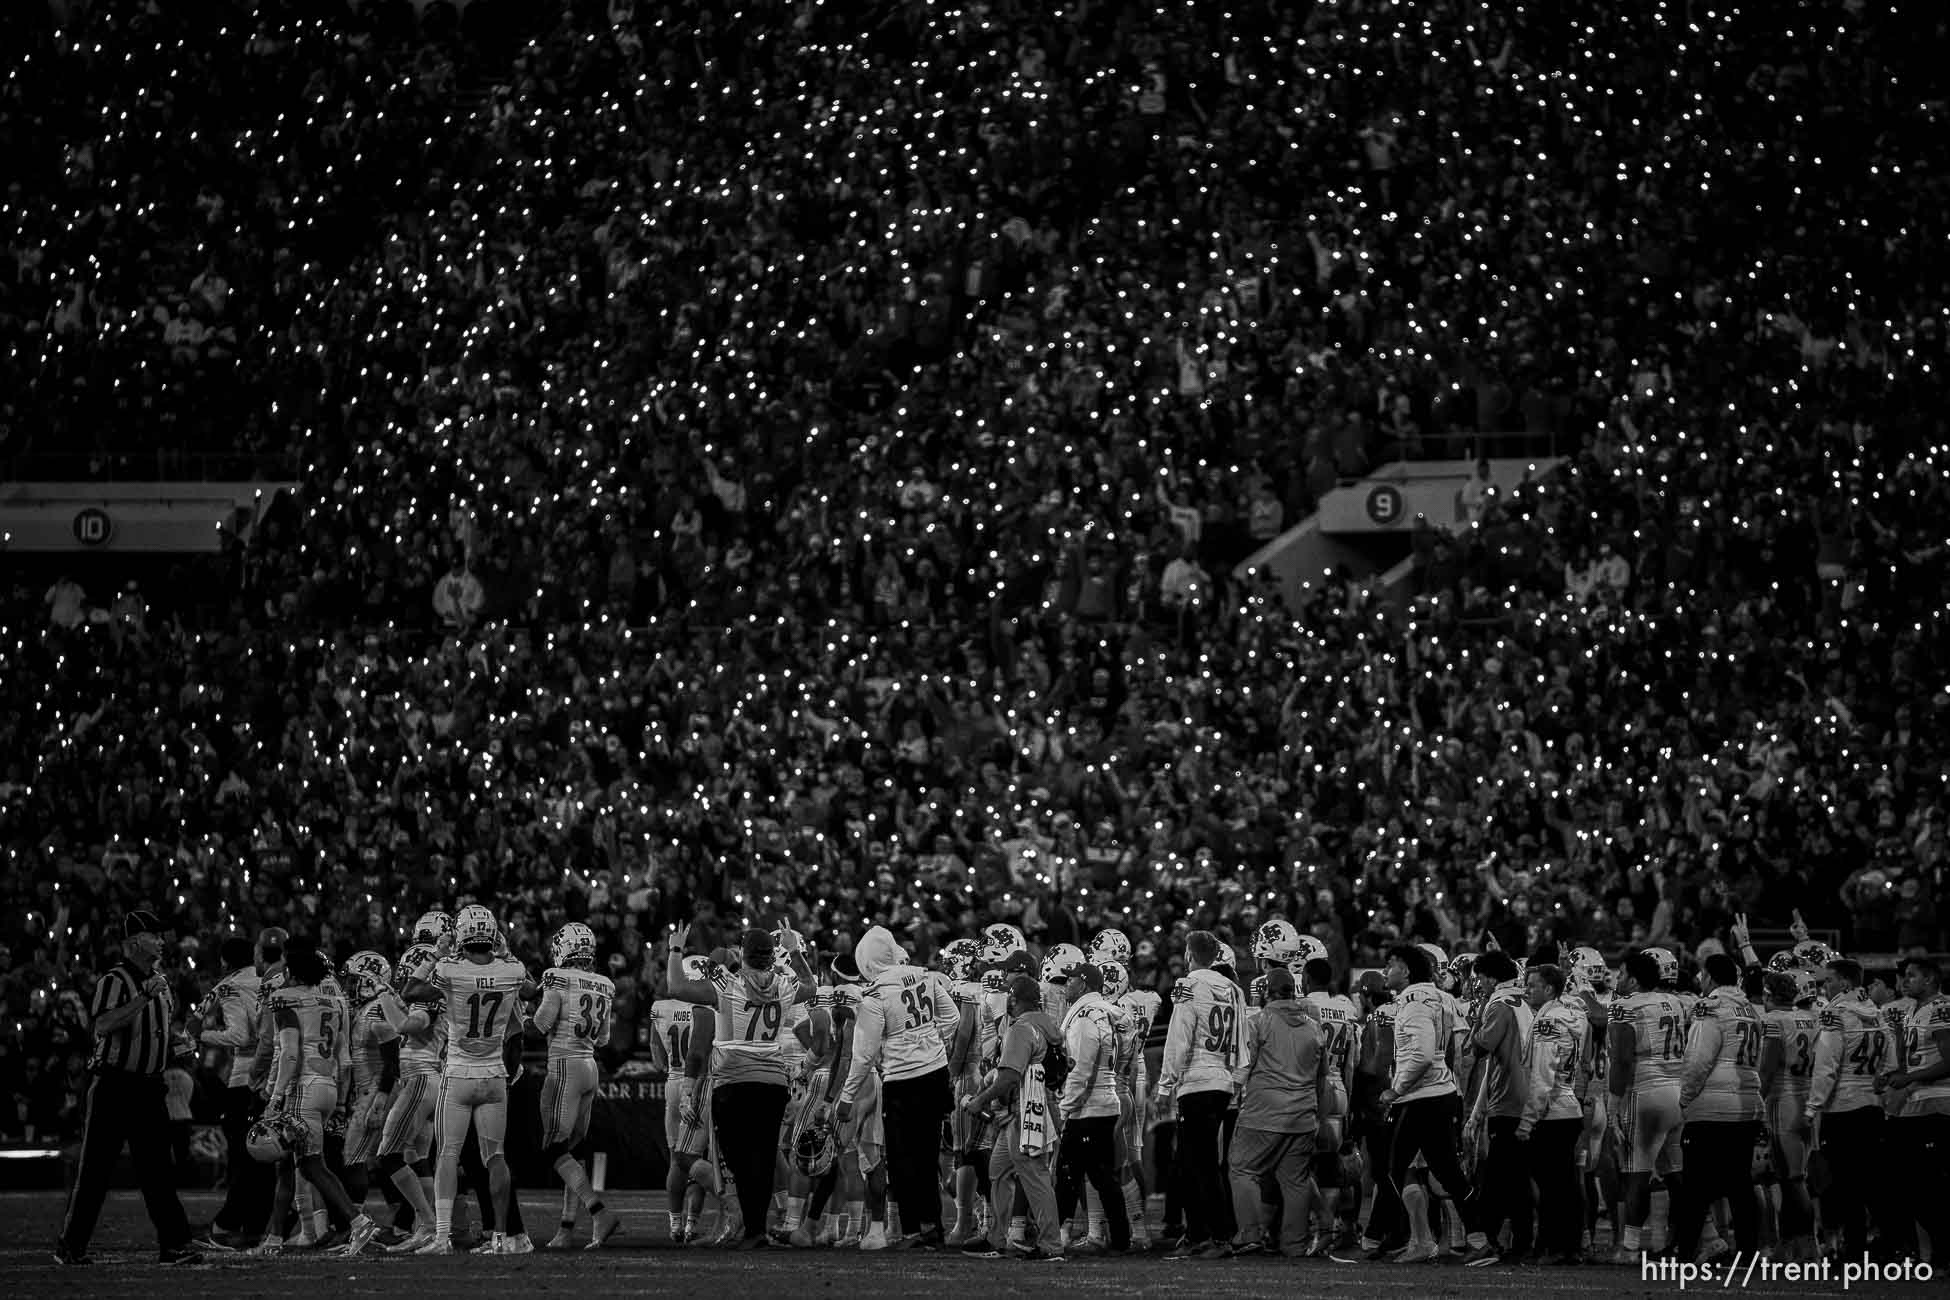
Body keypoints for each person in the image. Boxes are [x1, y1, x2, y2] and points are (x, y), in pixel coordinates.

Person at [56, 910, 202, 1266]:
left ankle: (175, 1243)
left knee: (158, 1172)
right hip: (114, 1086)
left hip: (150, 1088)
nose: (163, 941)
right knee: (95, 1172)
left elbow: (156, 1037)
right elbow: (102, 1025)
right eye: (156, 935)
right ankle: (70, 1246)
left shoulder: (161, 984)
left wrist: (179, 1047)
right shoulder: (115, 980)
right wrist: (143, 998)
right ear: (136, 941)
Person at [407, 904, 534, 1253]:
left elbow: (411, 991)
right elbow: (530, 991)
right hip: (495, 1075)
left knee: (447, 1154)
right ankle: (500, 1237)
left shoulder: (449, 968)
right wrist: (506, 951)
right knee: (496, 1157)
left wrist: (436, 952)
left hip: (459, 1073)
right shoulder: (512, 970)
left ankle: (443, 1236)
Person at [836, 924, 957, 1248]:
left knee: (902, 1159)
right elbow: (953, 1017)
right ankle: (934, 1229)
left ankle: (913, 1230)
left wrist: (846, 1097)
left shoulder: (874, 995)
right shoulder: (925, 976)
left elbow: (863, 1055)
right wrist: (931, 1043)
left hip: (903, 1080)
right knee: (928, 1155)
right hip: (935, 1074)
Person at [1372, 944, 1487, 1265]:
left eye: (1390, 965)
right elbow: (1457, 1050)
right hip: (1443, 1092)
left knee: (1392, 1171)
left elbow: (1422, 1054)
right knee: (1448, 1174)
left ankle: (1411, 1238)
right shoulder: (1443, 997)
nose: (1386, 971)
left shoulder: (1411, 1003)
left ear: (1406, 970)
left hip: (1419, 1097)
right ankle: (1478, 1238)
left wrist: (1395, 1089)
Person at [958, 974, 1065, 1260]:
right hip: (1038, 1107)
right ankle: (996, 1239)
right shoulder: (1049, 1025)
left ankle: (1051, 1245)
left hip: (1024, 1111)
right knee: (999, 1170)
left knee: (1034, 1175)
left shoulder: (1021, 1029)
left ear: (1013, 1000)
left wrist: (980, 1100)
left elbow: (1009, 1077)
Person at [1230, 966, 1332, 1257]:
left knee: (1242, 1168)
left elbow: (1244, 1066)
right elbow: (1322, 1078)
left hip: (1264, 1112)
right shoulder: (1314, 1027)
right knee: (1295, 1181)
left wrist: (1231, 1094)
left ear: (1266, 992)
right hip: (1303, 1116)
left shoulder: (1259, 1021)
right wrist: (1321, 1120)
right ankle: (1295, 1245)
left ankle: (1250, 1234)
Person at [1668, 952, 1763, 1259]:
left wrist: (1684, 1098)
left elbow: (1698, 1060)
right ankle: (1748, 1252)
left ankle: (1686, 1253)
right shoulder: (1749, 1008)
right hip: (1747, 1103)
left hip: (1712, 1106)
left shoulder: (1710, 1008)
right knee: (1740, 1184)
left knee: (1695, 1187)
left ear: (1709, 977)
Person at [533, 921, 622, 1248]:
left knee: (554, 1149)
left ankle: (598, 1212)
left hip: (564, 1066)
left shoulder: (557, 978)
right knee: (572, 1152)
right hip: (589, 1066)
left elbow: (540, 1025)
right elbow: (603, 1038)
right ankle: (566, 1229)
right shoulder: (605, 984)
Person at [1806, 958, 1891, 1260]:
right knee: (1873, 1182)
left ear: (1844, 983)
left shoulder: (1835, 1013)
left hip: (1842, 1107)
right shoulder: (1879, 1013)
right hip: (1873, 1107)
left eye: (1828, 980)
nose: (1824, 986)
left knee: (1845, 1184)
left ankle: (1853, 1251)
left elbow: (1826, 1066)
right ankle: (1886, 1246)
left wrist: (1812, 1107)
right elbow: (1890, 1065)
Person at [188, 933, 269, 1250]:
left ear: (224, 961)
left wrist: (202, 1035)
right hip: (269, 1076)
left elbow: (239, 1035)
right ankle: (252, 1221)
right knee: (261, 1157)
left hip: (244, 1080)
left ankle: (231, 1222)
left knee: (244, 1157)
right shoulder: (265, 980)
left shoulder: (231, 986)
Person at [1052, 956, 1130, 1255]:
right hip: (1106, 1099)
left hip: (1089, 1106)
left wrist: (1065, 1108)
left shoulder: (1086, 1015)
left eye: (1070, 979)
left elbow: (1080, 1068)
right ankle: (1121, 1237)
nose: (1065, 985)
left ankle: (1059, 1234)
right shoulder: (1110, 1011)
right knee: (1101, 1176)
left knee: (1070, 1173)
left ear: (1083, 982)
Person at [1462, 949, 1534, 1266]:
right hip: (1529, 1095)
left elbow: (1479, 1047)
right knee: (1516, 1176)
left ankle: (1490, 1239)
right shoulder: (1526, 1001)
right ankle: (1520, 1242)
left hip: (1509, 1098)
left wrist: (1477, 1016)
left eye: (1480, 978)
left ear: (1491, 978)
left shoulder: (1499, 1004)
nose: (1479, 984)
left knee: (1498, 1177)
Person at [1517, 962, 1586, 1264]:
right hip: (1569, 1107)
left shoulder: (1548, 1022)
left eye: (1532, 985)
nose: (1526, 989)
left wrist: (1527, 1120)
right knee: (1566, 1185)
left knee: (1552, 1187)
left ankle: (1555, 1247)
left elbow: (1542, 1077)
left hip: (1553, 1113)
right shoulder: (1569, 1016)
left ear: (1548, 989)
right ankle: (1569, 1245)